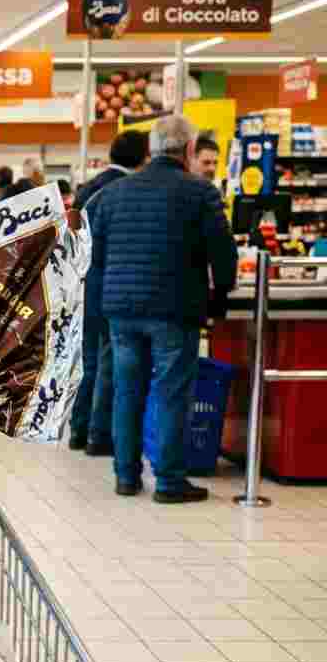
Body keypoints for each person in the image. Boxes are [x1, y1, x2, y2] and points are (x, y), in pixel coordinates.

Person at [89, 116, 238, 503]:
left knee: (127, 391)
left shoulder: (113, 194)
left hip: (121, 309)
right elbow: (223, 251)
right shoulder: (200, 192)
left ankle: (126, 476)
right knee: (171, 393)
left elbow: (96, 256)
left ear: (151, 149)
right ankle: (170, 481)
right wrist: (220, 297)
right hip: (174, 308)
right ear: (189, 149)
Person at [67, 129, 149, 456]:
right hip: (110, 281)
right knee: (106, 359)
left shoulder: (89, 187)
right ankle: (96, 432)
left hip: (84, 280)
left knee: (88, 358)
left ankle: (78, 428)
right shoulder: (126, 190)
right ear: (143, 157)